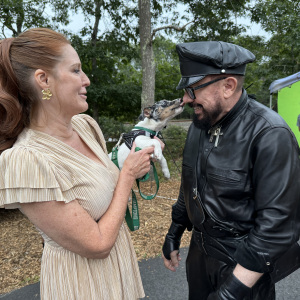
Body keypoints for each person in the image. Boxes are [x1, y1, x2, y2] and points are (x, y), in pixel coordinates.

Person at [0, 28, 155, 300]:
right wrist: (127, 175)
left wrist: (135, 158)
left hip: (119, 271)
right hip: (82, 286)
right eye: (75, 70)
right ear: (43, 79)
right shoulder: (26, 159)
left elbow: (103, 186)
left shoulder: (85, 127)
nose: (87, 80)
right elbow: (97, 244)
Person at [162, 41, 300, 300]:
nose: (185, 99)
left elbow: (277, 227)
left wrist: (231, 292)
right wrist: (175, 230)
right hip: (199, 259)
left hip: (245, 272)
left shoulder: (269, 134)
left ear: (228, 86)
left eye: (193, 89)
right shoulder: (200, 124)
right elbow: (189, 184)